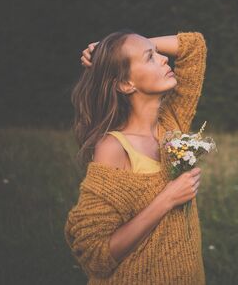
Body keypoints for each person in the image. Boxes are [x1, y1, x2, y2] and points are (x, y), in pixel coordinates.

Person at [64, 29, 208, 284]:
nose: (164, 59)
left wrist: (113, 50)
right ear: (125, 84)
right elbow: (94, 252)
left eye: (157, 54)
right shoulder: (113, 148)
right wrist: (167, 198)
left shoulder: (172, 123)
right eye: (150, 57)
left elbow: (193, 47)